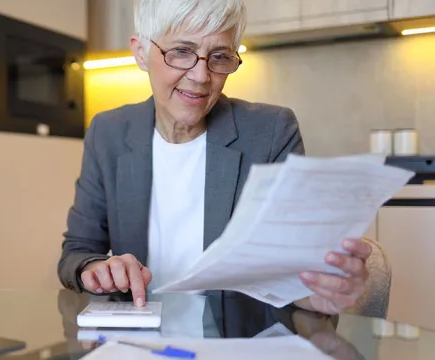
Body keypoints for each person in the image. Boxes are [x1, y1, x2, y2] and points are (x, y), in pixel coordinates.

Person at [58, 0, 372, 317]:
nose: (201, 76)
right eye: (181, 51)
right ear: (141, 53)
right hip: (141, 339)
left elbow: (291, 267)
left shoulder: (271, 132)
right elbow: (77, 253)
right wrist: (97, 268)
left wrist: (317, 292)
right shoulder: (107, 132)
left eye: (219, 57)